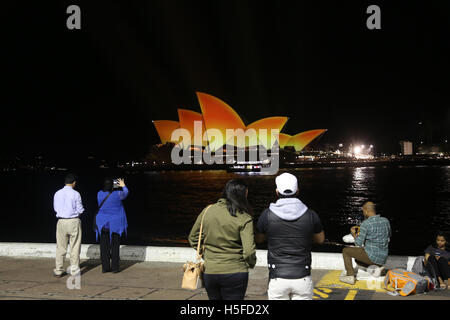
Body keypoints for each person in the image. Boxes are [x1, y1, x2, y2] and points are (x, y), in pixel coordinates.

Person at [255, 172, 325, 300]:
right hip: (302, 275)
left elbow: (258, 239)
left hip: (277, 276)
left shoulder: (267, 215)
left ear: (277, 191)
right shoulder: (310, 214)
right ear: (297, 191)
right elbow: (320, 239)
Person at [188, 179, 256, 300]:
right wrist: (251, 263)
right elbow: (249, 251)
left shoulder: (207, 211)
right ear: (242, 195)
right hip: (236, 271)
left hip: (210, 271)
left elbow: (193, 238)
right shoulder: (244, 217)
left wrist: (207, 255)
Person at [340, 201, 391, 285]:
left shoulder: (366, 224)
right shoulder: (386, 221)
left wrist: (354, 234)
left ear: (367, 211)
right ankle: (376, 269)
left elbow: (358, 243)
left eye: (363, 211)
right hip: (383, 257)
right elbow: (389, 235)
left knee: (346, 251)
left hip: (372, 257)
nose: (363, 213)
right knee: (358, 260)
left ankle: (350, 276)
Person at [53, 173, 84, 277]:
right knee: (75, 246)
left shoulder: (57, 193)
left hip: (61, 221)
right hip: (73, 221)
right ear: (74, 182)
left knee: (60, 247)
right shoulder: (76, 194)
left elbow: (56, 208)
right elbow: (80, 209)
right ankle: (74, 270)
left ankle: (58, 270)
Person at [95, 177, 129, 273]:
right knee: (115, 246)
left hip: (103, 224)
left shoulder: (99, 194)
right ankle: (115, 268)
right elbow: (126, 192)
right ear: (113, 185)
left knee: (104, 247)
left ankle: (105, 268)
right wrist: (123, 185)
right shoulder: (118, 194)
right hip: (115, 225)